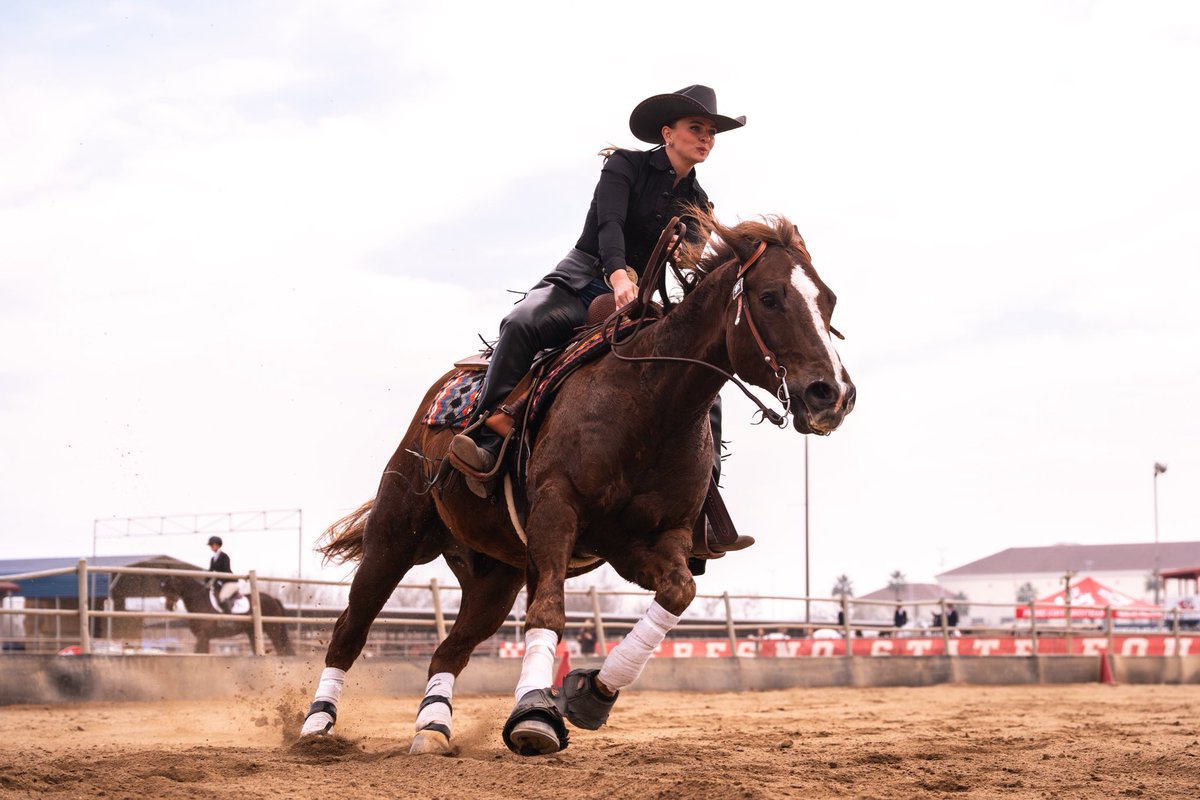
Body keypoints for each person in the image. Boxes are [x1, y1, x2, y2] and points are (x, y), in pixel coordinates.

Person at [449, 85, 747, 521]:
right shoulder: (625, 165)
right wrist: (620, 272)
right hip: (584, 280)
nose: (706, 138)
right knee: (522, 322)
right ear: (667, 132)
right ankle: (487, 434)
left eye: (711, 133)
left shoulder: (699, 204)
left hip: (639, 301)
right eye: (696, 128)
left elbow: (687, 267)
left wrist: (697, 271)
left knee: (702, 377)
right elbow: (609, 224)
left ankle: (702, 501)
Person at [207, 536, 239, 613]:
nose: (211, 547)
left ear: (218, 545)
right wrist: (205, 583)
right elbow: (210, 572)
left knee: (222, 597)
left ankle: (230, 619)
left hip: (229, 582)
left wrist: (219, 581)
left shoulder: (224, 557)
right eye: (210, 545)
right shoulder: (213, 559)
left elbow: (226, 571)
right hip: (220, 583)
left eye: (212, 545)